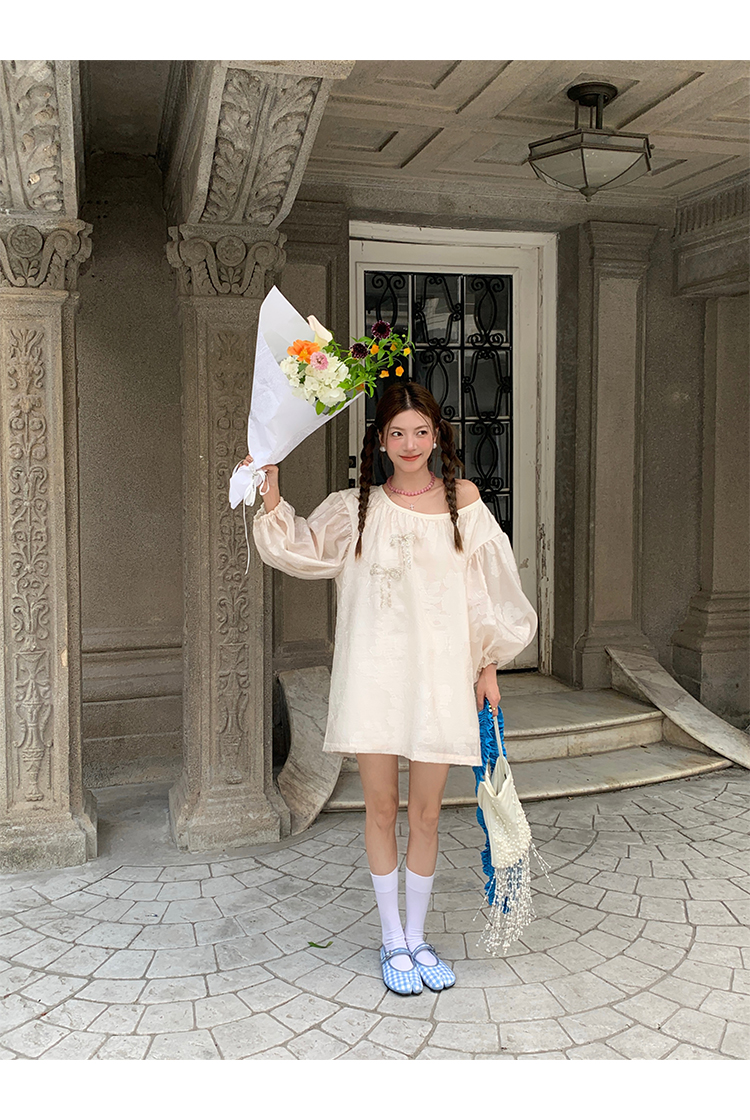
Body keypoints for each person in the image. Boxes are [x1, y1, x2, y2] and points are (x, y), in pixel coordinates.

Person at [247, 381, 537, 995]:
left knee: (426, 813)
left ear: (437, 436)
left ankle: (419, 937)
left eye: (421, 431)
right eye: (398, 433)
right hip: (374, 677)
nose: (410, 444)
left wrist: (488, 667)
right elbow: (298, 548)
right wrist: (270, 489)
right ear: (380, 440)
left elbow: (487, 593)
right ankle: (392, 940)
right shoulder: (355, 508)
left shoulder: (464, 502)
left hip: (439, 680)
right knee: (381, 809)